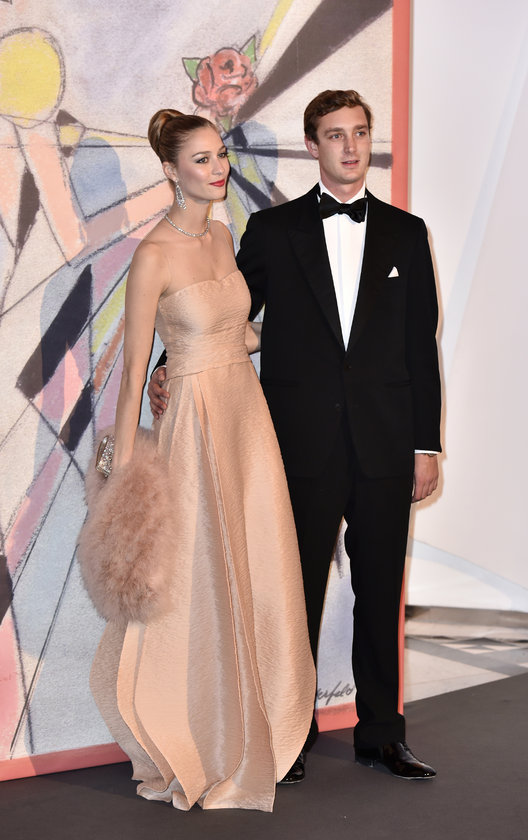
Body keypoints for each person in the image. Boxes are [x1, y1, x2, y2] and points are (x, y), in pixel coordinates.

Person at [149, 90, 441, 780]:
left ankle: (382, 734)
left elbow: (419, 345)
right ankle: (290, 733)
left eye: (359, 132)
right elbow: (222, 311)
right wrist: (168, 362)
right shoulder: (274, 231)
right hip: (298, 445)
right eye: (335, 135)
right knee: (294, 593)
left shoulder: (406, 232)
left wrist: (425, 445)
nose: (350, 146)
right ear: (312, 146)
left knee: (381, 592)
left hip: (385, 444)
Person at [89, 109, 315, 812]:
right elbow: (134, 370)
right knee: (198, 574)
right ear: (170, 170)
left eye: (220, 156)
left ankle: (256, 722)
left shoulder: (222, 236)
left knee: (254, 559)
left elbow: (235, 330)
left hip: (245, 417)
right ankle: (199, 735)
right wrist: (125, 472)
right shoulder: (153, 255)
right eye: (201, 160)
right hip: (192, 423)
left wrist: (289, 334)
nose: (217, 170)